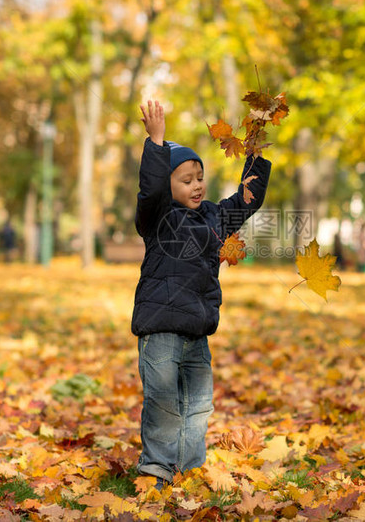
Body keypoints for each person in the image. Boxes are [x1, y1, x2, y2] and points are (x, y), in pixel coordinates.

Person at [132, 100, 271, 489]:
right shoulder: (158, 217)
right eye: (186, 179)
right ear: (169, 186)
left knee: (197, 407)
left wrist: (255, 154)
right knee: (163, 406)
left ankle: (189, 470)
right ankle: (156, 471)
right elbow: (150, 191)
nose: (196, 185)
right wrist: (157, 143)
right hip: (160, 329)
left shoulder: (213, 217)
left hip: (197, 330)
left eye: (199, 177)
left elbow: (247, 199)